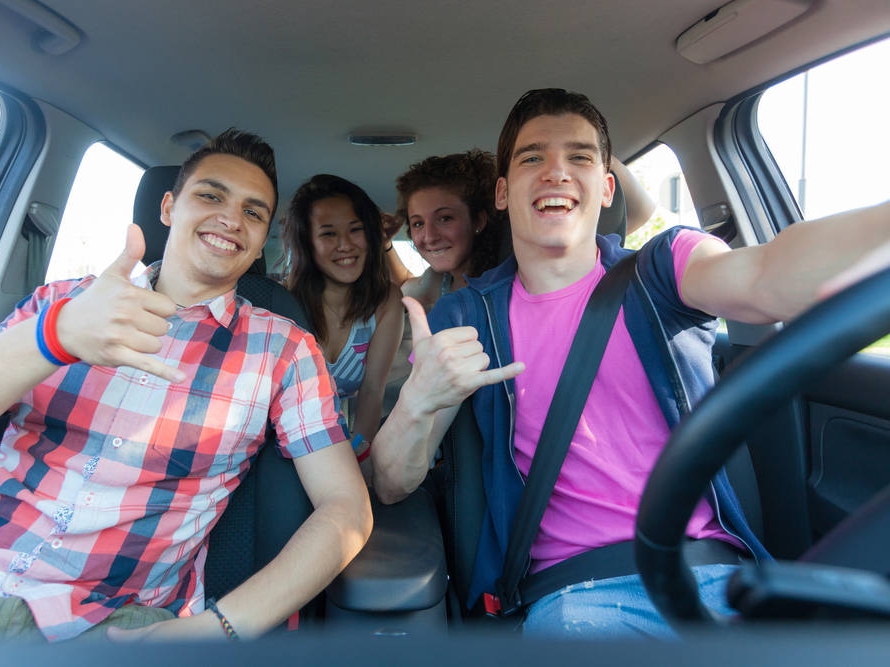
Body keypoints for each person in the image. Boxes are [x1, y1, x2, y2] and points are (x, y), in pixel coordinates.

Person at [369, 88, 890, 639]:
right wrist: (419, 400)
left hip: (714, 580)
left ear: (606, 186)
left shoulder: (662, 271)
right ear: (502, 193)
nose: (556, 173)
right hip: (574, 601)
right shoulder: (467, 316)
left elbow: (766, 274)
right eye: (532, 158)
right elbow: (392, 484)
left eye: (579, 157)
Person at [0, 129, 372, 653]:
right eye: (210, 196)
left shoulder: (284, 349)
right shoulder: (63, 303)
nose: (232, 219)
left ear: (262, 240)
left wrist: (223, 626)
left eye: (254, 213)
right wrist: (56, 336)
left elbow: (347, 508)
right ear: (168, 208)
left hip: (120, 619)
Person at [392, 149, 655, 312]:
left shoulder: (525, 265)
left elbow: (642, 210)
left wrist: (591, 151)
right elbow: (402, 287)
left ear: (479, 221)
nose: (428, 236)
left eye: (445, 218)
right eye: (417, 224)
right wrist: (385, 245)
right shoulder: (439, 282)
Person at [280, 175, 405, 475]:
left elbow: (373, 391)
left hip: (337, 443)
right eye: (328, 234)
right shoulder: (283, 304)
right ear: (307, 244)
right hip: (279, 448)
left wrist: (358, 455)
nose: (346, 245)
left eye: (355, 230)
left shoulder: (387, 301)